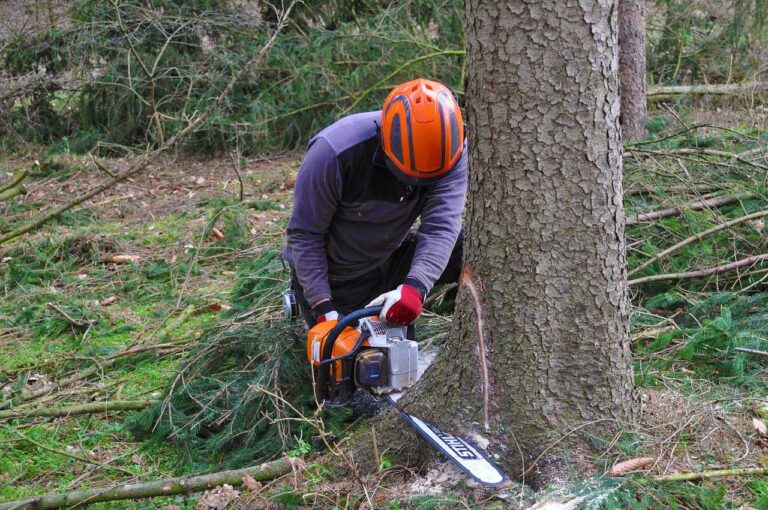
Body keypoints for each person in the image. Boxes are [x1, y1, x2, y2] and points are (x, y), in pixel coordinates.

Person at [283, 78, 467, 332]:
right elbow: (305, 235)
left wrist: (415, 287)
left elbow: (441, 225)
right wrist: (323, 307)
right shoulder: (334, 153)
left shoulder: (451, 148)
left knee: (468, 245)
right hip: (338, 276)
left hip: (390, 254)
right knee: (357, 359)